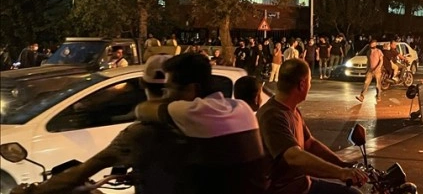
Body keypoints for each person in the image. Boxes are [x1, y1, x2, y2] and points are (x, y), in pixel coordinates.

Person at [9, 54, 191, 194]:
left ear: (143, 85)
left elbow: (82, 171)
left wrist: (33, 191)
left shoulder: (142, 133)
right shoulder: (204, 124)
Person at [135, 53, 268, 194]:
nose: (166, 95)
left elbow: (142, 110)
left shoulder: (191, 112)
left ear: (192, 88)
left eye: (169, 88)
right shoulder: (243, 107)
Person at [256, 59, 367, 194]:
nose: (310, 85)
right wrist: (341, 173)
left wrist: (342, 164)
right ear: (302, 84)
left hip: (303, 184)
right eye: (309, 81)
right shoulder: (272, 116)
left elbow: (310, 143)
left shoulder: (291, 109)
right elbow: (294, 156)